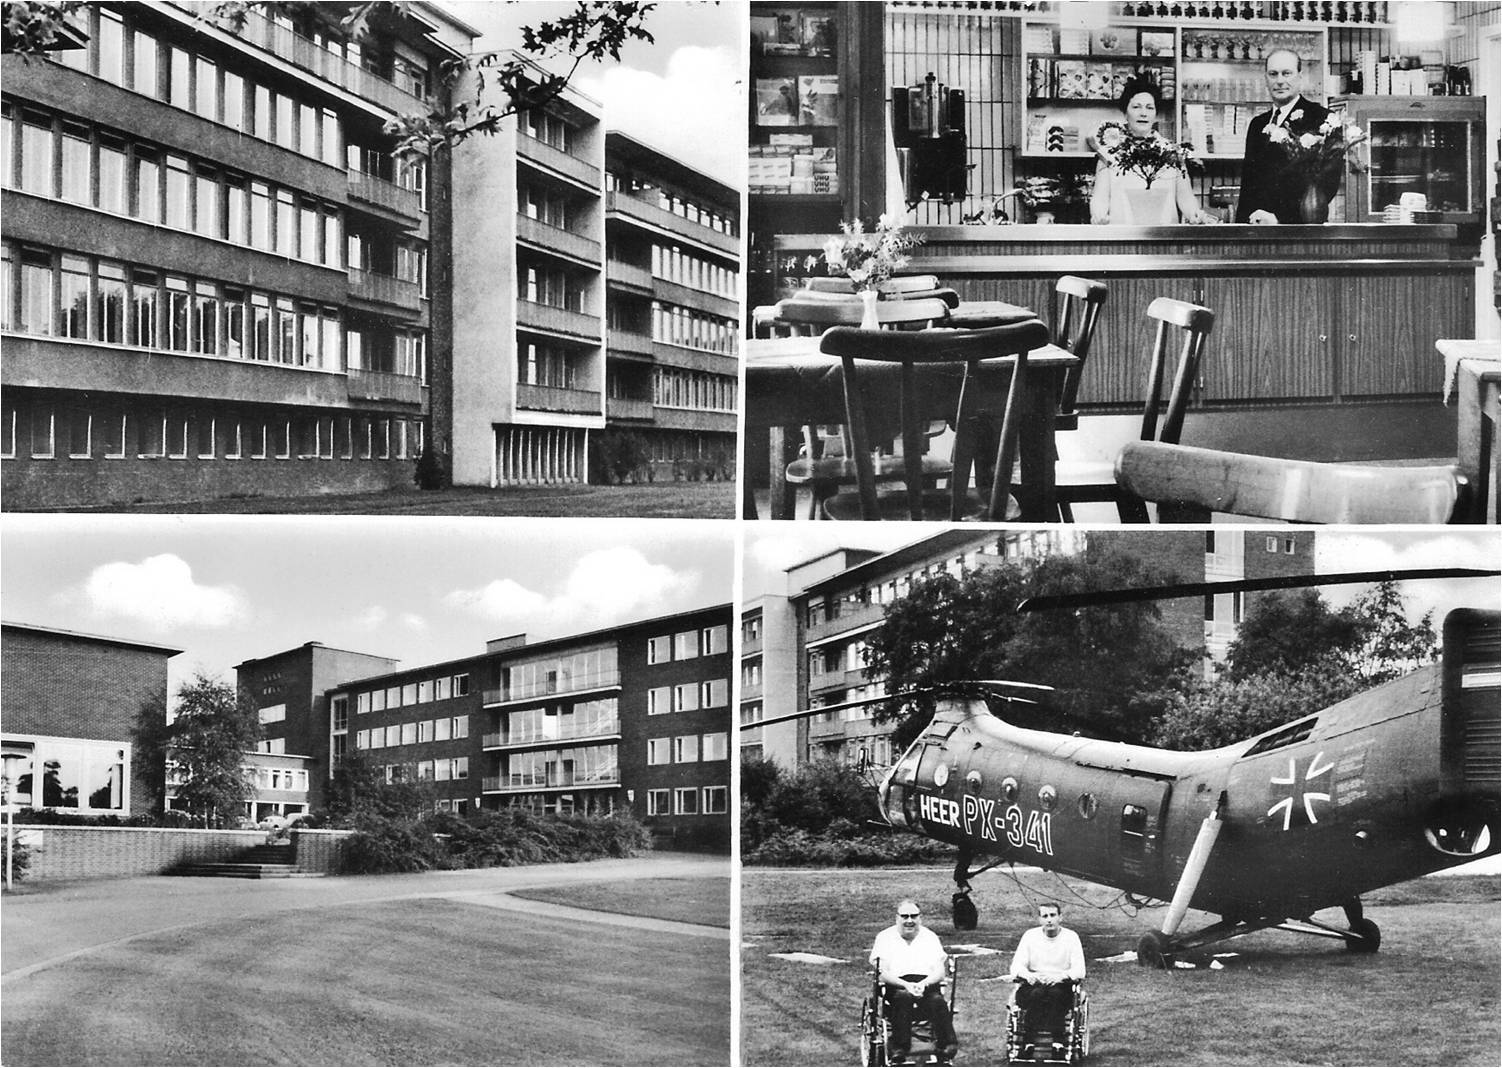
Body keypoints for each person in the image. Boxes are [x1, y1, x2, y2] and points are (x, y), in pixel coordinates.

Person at [1089, 77, 1214, 226]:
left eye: (1149, 107)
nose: (1143, 113)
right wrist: (1099, 216)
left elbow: (1185, 196)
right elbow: (1100, 197)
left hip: (1164, 238)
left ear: (1155, 113)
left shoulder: (1170, 151)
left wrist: (1195, 215)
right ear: (1125, 112)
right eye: (1136, 107)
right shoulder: (1109, 153)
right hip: (1123, 237)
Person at [1235, 48, 1337, 224]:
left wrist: (1280, 218)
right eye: (1273, 74)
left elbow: (1328, 185)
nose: (1280, 81)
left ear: (1300, 76)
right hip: (1256, 231)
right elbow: (1248, 187)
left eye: (1286, 73)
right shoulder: (1257, 124)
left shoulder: (1323, 119)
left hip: (1299, 231)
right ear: (1265, 78)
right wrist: (1241, 230)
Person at [869, 899, 958, 1066]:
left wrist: (924, 984)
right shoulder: (885, 937)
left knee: (937, 1001)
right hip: (896, 984)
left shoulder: (930, 937)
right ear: (897, 918)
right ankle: (900, 1048)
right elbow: (882, 972)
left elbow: (939, 972)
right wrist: (906, 985)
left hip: (926, 982)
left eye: (913, 916)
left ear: (920, 918)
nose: (909, 920)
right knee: (903, 998)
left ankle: (946, 1046)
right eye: (905, 916)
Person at [1010, 902, 1086, 1059]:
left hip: (1061, 984)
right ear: (1039, 919)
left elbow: (1079, 970)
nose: (1049, 920)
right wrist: (1029, 976)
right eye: (1045, 916)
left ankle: (1058, 1042)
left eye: (1053, 915)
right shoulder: (1030, 936)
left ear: (1060, 917)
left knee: (1055, 994)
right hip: (1034, 983)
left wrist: (1060, 977)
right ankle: (1029, 1040)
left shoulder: (1071, 937)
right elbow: (1016, 966)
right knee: (1037, 993)